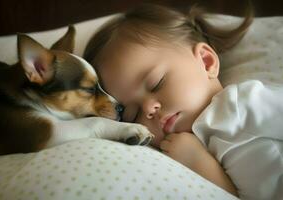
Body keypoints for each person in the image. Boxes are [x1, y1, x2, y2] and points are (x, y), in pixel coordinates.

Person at [83, 3, 283, 199]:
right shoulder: (172, 159)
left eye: (157, 84)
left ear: (206, 61)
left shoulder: (241, 104)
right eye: (132, 115)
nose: (148, 109)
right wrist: (197, 162)